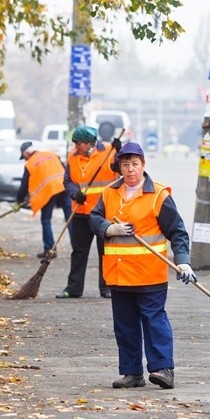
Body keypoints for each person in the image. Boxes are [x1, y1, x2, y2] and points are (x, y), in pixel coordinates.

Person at [89, 141, 197, 390]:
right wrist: (108, 228)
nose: (130, 169)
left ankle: (163, 369)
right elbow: (94, 218)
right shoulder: (109, 193)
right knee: (125, 326)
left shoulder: (158, 196)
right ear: (119, 167)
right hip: (119, 275)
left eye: (134, 164)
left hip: (149, 275)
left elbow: (177, 232)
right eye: (125, 164)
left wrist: (183, 262)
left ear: (143, 165)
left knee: (154, 322)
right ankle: (131, 373)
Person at [57, 125, 121, 299]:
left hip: (102, 213)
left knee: (105, 252)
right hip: (80, 211)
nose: (76, 147)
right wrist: (73, 193)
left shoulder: (109, 152)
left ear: (89, 143)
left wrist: (120, 151)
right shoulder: (73, 156)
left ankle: (107, 287)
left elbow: (121, 168)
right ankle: (74, 288)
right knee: (78, 251)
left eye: (79, 144)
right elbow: (68, 180)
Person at [13, 141, 72, 259]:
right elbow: (65, 169)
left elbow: (24, 185)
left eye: (23, 156)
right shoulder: (52, 154)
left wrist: (18, 202)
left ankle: (50, 249)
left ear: (27, 153)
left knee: (46, 220)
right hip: (64, 187)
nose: (24, 159)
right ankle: (78, 247)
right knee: (70, 219)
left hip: (49, 192)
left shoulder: (30, 164)